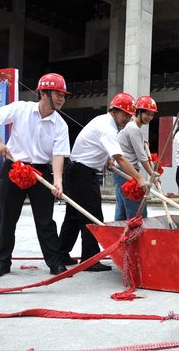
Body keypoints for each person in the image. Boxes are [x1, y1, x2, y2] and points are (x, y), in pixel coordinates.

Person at [0, 73, 70, 278]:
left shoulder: (61, 125)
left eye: (63, 95)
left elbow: (58, 156)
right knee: (7, 217)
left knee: (45, 220)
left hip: (41, 173)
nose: (61, 99)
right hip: (15, 167)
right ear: (43, 93)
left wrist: (57, 181)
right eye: (57, 94)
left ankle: (55, 263)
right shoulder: (21, 108)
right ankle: (2, 262)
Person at [58, 93, 148, 271]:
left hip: (77, 170)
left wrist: (106, 160)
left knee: (74, 216)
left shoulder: (104, 122)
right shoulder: (108, 127)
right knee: (93, 216)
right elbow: (120, 158)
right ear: (113, 111)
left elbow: (102, 149)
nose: (126, 119)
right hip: (81, 173)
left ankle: (61, 253)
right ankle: (90, 259)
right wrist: (138, 178)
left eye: (129, 116)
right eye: (124, 115)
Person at [113, 95, 159, 220]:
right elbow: (142, 157)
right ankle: (136, 237)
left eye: (152, 114)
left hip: (120, 173)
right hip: (128, 173)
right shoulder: (134, 129)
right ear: (138, 112)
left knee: (122, 210)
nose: (149, 117)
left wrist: (142, 142)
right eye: (147, 114)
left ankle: (118, 235)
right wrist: (153, 175)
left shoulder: (130, 127)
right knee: (137, 211)